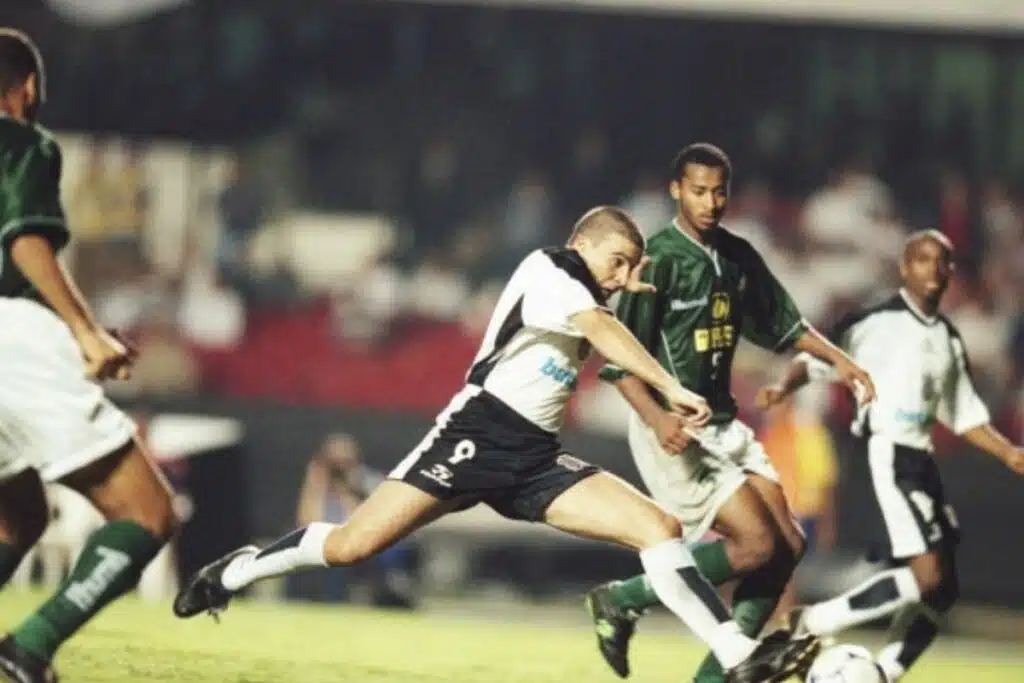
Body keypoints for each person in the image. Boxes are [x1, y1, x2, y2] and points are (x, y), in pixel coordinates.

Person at [174, 206, 817, 683]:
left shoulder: (594, 292)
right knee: (350, 546)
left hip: (533, 458)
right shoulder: (550, 272)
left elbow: (616, 322)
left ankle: (738, 660)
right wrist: (667, 385)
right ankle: (232, 571)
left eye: (630, 268)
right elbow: (601, 329)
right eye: (616, 261)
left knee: (659, 526)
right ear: (580, 244)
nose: (622, 277)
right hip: (476, 437)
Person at [582, 143, 875, 682]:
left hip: (724, 423)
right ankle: (624, 598)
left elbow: (785, 324)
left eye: (719, 191)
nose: (711, 201)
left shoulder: (737, 256)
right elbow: (621, 364)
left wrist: (841, 361)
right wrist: (658, 419)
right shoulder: (658, 262)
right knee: (756, 544)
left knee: (788, 546)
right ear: (676, 191)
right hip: (675, 426)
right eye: (698, 190)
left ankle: (714, 678)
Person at [758, 229, 1024, 682]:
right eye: (923, 260)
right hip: (890, 451)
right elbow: (819, 359)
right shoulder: (876, 324)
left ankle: (885, 671)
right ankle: (814, 622)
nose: (933, 270)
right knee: (926, 575)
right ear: (905, 268)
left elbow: (963, 413)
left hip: (921, 459)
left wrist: (1007, 452)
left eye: (942, 262)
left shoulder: (946, 339)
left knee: (941, 590)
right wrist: (784, 386)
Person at [0, 29, 178, 683]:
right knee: (148, 512)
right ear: (26, 91)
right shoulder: (19, 140)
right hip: (10, 336)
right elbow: (24, 246)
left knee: (17, 512)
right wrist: (83, 330)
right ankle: (29, 645)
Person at [292, 433, 416, 608]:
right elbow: (307, 523)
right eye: (334, 463)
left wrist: (348, 490)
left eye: (344, 462)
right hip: (328, 547)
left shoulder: (367, 481)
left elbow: (363, 522)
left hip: (365, 545)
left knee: (346, 557)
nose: (339, 469)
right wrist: (316, 487)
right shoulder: (319, 488)